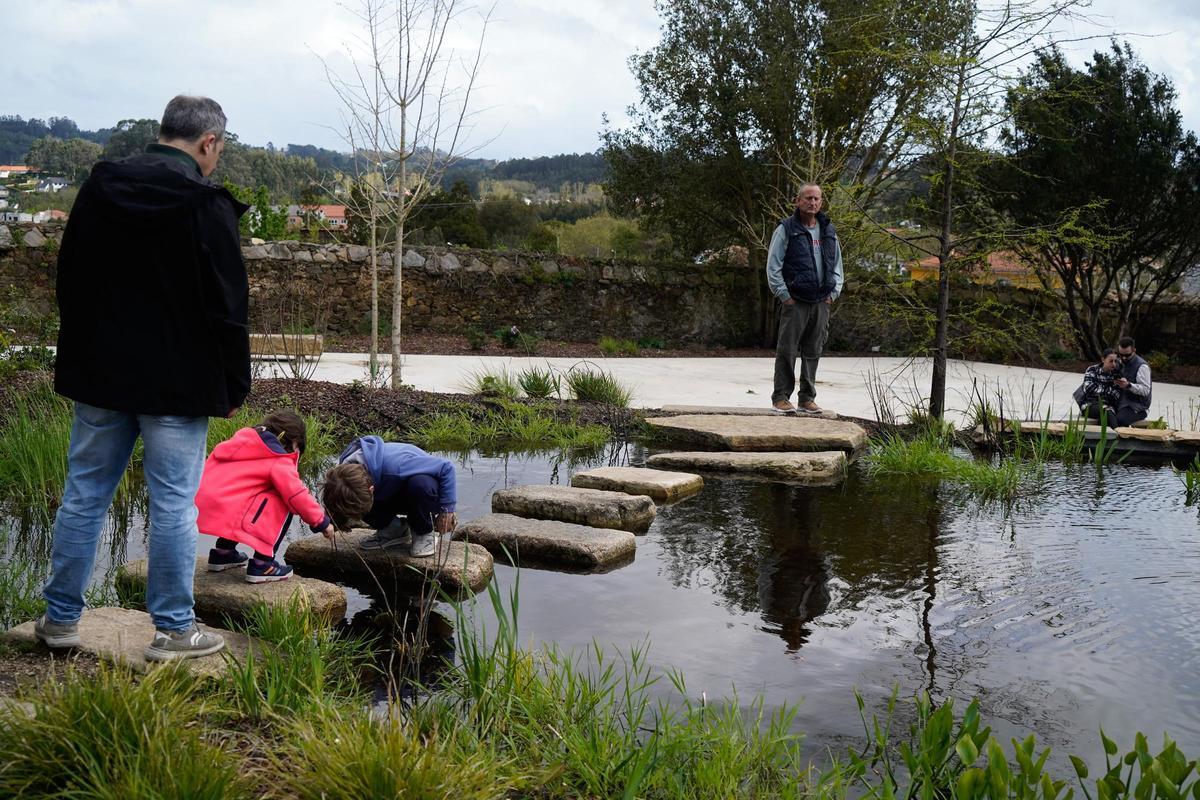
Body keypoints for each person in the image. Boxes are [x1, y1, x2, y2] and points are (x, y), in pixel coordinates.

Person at [36, 95, 250, 662]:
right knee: (174, 505)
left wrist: (82, 354)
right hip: (179, 383)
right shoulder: (206, 204)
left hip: (102, 374)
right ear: (208, 142)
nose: (218, 159)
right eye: (220, 150)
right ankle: (174, 632)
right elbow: (229, 306)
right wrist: (233, 385)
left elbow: (71, 278)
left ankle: (59, 621)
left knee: (83, 496)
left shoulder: (100, 187)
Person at [196, 411, 336, 583]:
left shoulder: (241, 441)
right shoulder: (278, 458)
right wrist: (321, 522)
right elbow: (297, 495)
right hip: (229, 508)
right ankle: (263, 564)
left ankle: (223, 552)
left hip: (202, 505)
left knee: (245, 496)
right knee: (286, 501)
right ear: (293, 442)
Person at [766, 182, 844, 414]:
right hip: (796, 300)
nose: (812, 202)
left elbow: (838, 265)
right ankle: (781, 397)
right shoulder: (786, 229)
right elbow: (773, 265)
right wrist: (784, 295)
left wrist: (834, 292)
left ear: (821, 202)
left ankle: (806, 399)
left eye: (816, 199)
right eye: (808, 198)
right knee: (787, 350)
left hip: (821, 301)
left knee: (813, 350)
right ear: (798, 201)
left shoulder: (829, 230)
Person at [321, 436, 457, 557]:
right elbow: (336, 503)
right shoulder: (340, 476)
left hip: (418, 491)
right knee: (355, 503)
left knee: (421, 485)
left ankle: (423, 532)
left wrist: (447, 510)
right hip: (387, 489)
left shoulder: (397, 466)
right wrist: (325, 523)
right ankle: (395, 530)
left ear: (371, 489)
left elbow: (447, 467)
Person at [1074, 348, 1123, 424]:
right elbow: (1089, 388)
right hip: (1090, 405)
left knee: (1108, 418)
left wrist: (1100, 388)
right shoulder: (1092, 370)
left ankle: (1115, 434)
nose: (1114, 364)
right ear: (1103, 360)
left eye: (1115, 361)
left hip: (1109, 407)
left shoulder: (1117, 373)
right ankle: (1120, 435)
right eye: (1111, 361)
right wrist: (1109, 389)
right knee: (1108, 412)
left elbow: (1117, 394)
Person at [1113, 336, 1152, 427]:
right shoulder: (1119, 362)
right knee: (1105, 416)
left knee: (1119, 420)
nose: (1124, 358)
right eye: (1121, 355)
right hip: (1121, 404)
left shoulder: (1142, 366)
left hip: (1139, 407)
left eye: (1127, 355)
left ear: (1134, 350)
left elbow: (1146, 390)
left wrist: (1129, 385)